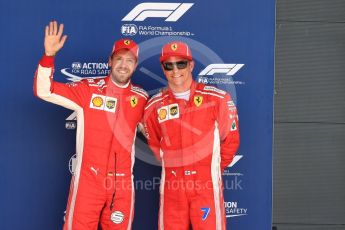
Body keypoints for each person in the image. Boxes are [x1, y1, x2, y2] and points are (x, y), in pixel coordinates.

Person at [34, 21, 148, 230]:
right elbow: (44, 90)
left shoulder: (141, 98)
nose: (124, 64)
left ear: (135, 64)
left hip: (122, 186)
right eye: (119, 59)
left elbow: (157, 133)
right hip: (89, 181)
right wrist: (48, 56)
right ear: (109, 61)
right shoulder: (88, 90)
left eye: (129, 60)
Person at [143, 41, 240, 230]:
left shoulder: (217, 99)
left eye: (181, 63)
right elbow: (155, 142)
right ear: (163, 69)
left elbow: (231, 141)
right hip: (172, 189)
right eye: (168, 65)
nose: (175, 70)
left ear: (191, 65)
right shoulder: (154, 105)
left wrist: (210, 171)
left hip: (205, 188)